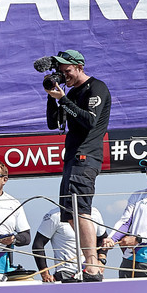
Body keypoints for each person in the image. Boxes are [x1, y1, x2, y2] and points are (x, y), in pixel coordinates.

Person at [44, 50, 111, 278]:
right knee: (69, 214)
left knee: (81, 210)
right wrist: (52, 96)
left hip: (86, 156)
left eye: (67, 71)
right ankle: (89, 259)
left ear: (80, 66)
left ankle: (92, 264)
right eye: (61, 73)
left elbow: (90, 121)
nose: (65, 76)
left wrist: (63, 99)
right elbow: (53, 123)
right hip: (71, 158)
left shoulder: (96, 87)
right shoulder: (69, 94)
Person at [32, 204, 113, 282]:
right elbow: (38, 244)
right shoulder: (55, 215)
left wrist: (101, 260)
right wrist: (45, 274)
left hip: (92, 272)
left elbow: (103, 238)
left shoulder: (95, 213)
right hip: (66, 273)